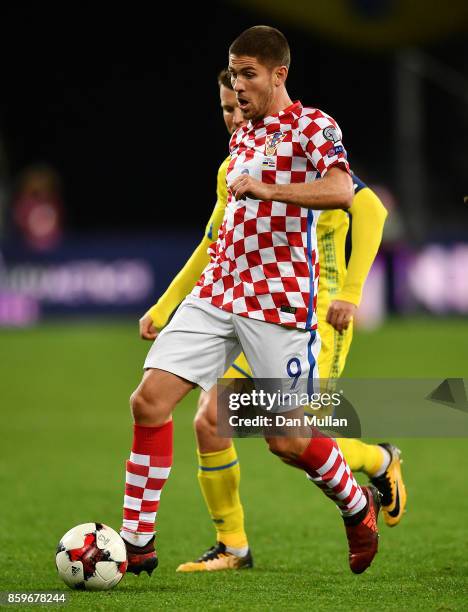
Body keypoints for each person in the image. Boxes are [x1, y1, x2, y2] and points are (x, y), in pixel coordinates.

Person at [121, 25, 381, 577]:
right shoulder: (243, 137)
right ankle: (135, 544)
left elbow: (340, 191)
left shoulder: (314, 126)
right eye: (233, 74)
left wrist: (270, 189)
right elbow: (217, 232)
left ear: (278, 74)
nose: (237, 87)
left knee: (286, 439)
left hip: (279, 299)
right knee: (149, 401)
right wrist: (171, 303)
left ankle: (358, 506)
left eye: (247, 75)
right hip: (220, 291)